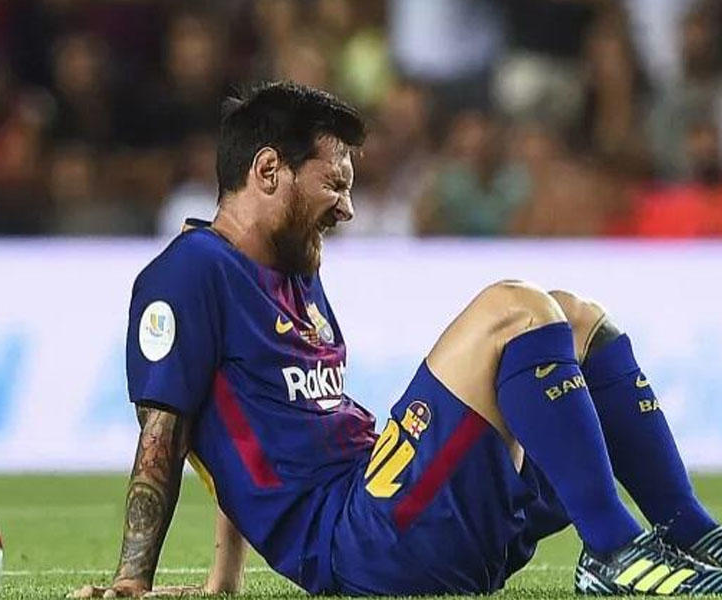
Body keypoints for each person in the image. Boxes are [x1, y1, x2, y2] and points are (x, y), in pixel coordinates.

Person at [72, 82, 722, 598]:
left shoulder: (292, 272)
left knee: (581, 319)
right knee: (514, 308)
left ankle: (691, 532)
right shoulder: (190, 271)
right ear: (268, 170)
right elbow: (165, 432)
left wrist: (224, 580)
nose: (347, 208)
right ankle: (612, 549)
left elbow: (252, 429)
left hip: (393, 510)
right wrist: (133, 579)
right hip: (359, 541)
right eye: (335, 184)